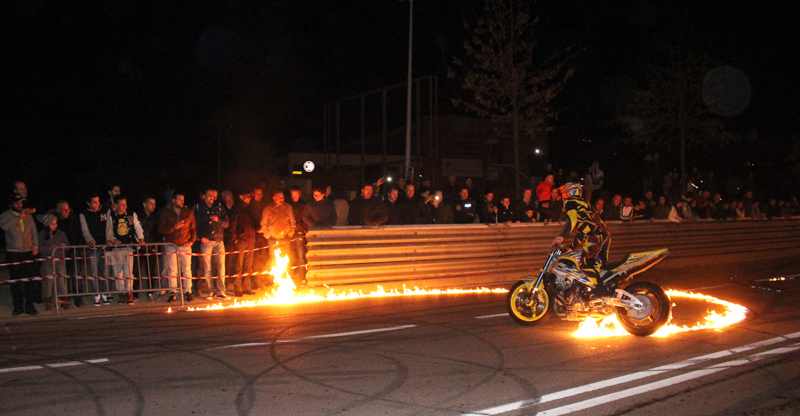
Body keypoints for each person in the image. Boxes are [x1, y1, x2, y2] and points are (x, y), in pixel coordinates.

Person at [551, 183, 611, 290]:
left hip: (594, 237)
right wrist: (571, 248)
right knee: (600, 267)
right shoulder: (584, 203)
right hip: (604, 235)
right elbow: (582, 232)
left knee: (586, 264)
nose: (562, 197)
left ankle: (600, 290)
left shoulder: (571, 203)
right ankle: (603, 288)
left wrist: (561, 236)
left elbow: (572, 221)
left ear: (569, 191)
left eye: (563, 191)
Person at [1, 194, 40, 315]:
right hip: (14, 253)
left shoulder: (28, 214)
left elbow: (34, 230)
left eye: (21, 202)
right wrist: (19, 217)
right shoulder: (5, 216)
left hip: (28, 251)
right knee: (15, 281)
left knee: (29, 280)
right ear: (11, 204)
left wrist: (35, 246)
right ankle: (18, 306)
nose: (20, 204)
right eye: (17, 202)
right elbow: (5, 226)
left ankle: (30, 305)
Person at [105, 195, 145, 304]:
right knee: (118, 273)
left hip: (128, 247)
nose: (124, 207)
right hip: (116, 249)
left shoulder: (131, 215)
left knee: (128, 272)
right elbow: (108, 230)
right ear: (116, 205)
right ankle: (121, 293)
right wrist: (113, 240)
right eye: (122, 205)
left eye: (125, 205)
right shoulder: (111, 216)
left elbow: (137, 227)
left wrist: (141, 238)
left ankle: (129, 293)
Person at [158, 191, 196, 302]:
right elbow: (161, 229)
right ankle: (173, 292)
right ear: (173, 200)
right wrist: (173, 227)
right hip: (171, 244)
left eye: (183, 199)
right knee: (172, 269)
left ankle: (187, 291)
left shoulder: (188, 212)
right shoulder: (166, 213)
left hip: (185, 244)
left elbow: (193, 228)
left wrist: (191, 241)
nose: (182, 201)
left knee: (186, 269)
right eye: (179, 199)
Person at [193, 187, 229, 299]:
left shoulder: (219, 207)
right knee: (207, 267)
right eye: (209, 195)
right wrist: (199, 237)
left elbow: (227, 224)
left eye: (213, 195)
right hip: (206, 241)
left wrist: (218, 220)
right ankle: (209, 291)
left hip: (218, 240)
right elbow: (194, 225)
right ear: (203, 196)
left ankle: (221, 291)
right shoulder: (198, 208)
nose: (211, 197)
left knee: (221, 266)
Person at [260, 189, 297, 288]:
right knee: (273, 260)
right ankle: (275, 281)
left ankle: (286, 280)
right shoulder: (268, 208)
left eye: (283, 197)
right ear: (274, 198)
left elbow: (293, 221)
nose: (281, 199)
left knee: (286, 259)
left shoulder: (288, 207)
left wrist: (290, 234)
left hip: (285, 238)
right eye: (279, 197)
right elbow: (263, 223)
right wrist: (267, 235)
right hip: (272, 238)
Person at [80, 194, 109, 307]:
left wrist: (109, 240)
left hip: (104, 246)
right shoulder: (84, 214)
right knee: (94, 272)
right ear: (88, 203)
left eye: (98, 201)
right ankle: (96, 295)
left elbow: (108, 227)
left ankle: (105, 294)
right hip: (93, 248)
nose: (97, 204)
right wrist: (90, 241)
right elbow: (85, 230)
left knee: (105, 272)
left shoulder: (105, 210)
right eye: (94, 202)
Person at [37, 213, 69, 311]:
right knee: (49, 281)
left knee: (60, 281)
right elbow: (39, 247)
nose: (55, 225)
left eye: (56, 223)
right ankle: (48, 301)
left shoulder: (60, 233)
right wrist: (49, 248)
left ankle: (64, 300)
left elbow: (67, 245)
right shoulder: (42, 234)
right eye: (52, 224)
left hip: (59, 259)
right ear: (47, 225)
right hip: (48, 260)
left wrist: (62, 246)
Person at [230, 192, 257, 296]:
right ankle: (238, 289)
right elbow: (232, 224)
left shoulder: (250, 209)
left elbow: (254, 222)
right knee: (238, 266)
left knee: (248, 266)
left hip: (250, 240)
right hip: (241, 240)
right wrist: (235, 238)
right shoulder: (236, 209)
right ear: (241, 196)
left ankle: (246, 288)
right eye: (247, 196)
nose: (249, 198)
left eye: (250, 197)